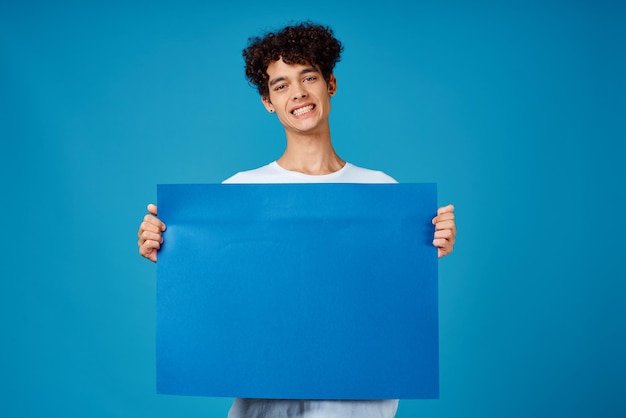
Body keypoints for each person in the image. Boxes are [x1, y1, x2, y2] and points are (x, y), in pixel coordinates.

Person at [137, 22, 456, 418]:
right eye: (281, 85)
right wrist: (168, 247)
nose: (299, 93)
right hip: (265, 405)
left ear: (331, 84)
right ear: (268, 102)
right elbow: (218, 290)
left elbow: (387, 289)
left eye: (309, 77)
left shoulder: (382, 190)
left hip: (359, 402)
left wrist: (430, 244)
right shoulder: (239, 191)